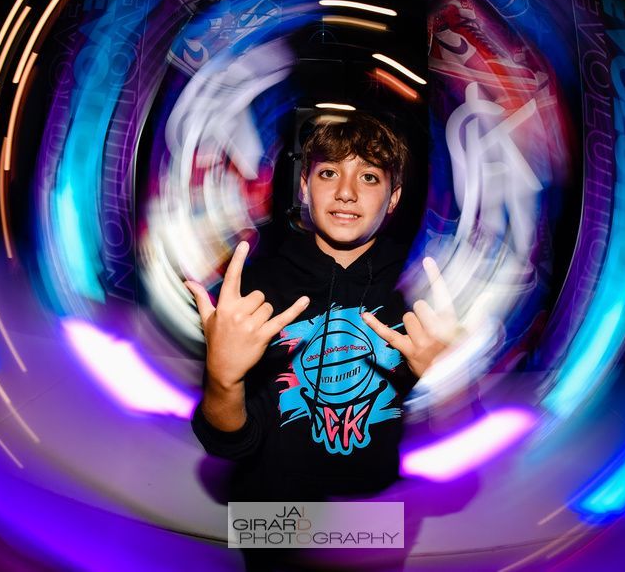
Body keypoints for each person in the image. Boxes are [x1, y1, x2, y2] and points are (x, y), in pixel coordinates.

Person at [184, 113, 451, 502]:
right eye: (328, 174)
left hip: (375, 514)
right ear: (305, 187)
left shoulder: (419, 292)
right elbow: (228, 447)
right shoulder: (255, 291)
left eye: (369, 176)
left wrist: (448, 384)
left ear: (393, 197)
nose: (346, 192)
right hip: (271, 514)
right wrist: (222, 379)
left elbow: (453, 447)